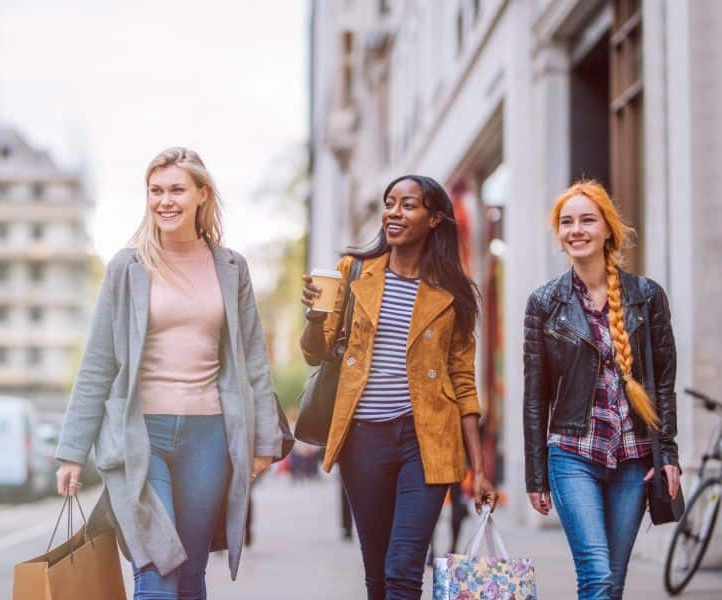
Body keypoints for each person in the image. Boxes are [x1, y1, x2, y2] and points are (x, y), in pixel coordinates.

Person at [54, 147, 283, 599]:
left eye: (177, 189)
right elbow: (98, 362)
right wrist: (71, 451)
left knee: (192, 572)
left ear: (202, 194)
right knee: (158, 570)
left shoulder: (231, 268)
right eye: (155, 191)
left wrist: (264, 441)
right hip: (141, 436)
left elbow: (252, 359)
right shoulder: (128, 267)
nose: (165, 201)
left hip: (210, 435)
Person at [299, 174, 496, 600]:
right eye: (390, 203)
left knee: (404, 570)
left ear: (434, 219)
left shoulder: (452, 292)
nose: (394, 212)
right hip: (363, 439)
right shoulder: (352, 273)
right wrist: (315, 316)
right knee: (377, 577)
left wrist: (478, 471)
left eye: (408, 205)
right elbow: (315, 354)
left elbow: (464, 383)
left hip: (425, 441)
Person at [523, 179, 681, 599]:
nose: (576, 230)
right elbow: (535, 396)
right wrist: (535, 475)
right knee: (596, 575)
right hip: (573, 453)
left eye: (587, 220)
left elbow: (663, 383)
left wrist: (667, 453)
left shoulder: (646, 297)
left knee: (614, 582)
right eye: (567, 222)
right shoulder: (544, 303)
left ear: (607, 228)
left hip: (633, 458)